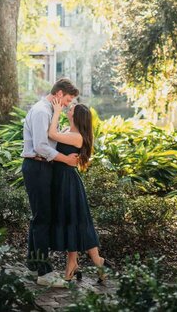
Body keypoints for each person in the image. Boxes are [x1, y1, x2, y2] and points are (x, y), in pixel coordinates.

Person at [21, 78, 80, 287]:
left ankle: (34, 264)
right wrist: (65, 159)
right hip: (37, 167)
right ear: (59, 94)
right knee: (42, 218)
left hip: (43, 168)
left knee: (40, 216)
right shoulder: (41, 112)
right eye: (67, 99)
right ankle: (44, 274)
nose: (67, 104)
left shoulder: (49, 111)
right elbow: (40, 146)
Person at [47, 100, 110, 283]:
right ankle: (78, 264)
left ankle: (92, 263)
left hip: (68, 183)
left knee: (78, 222)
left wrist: (57, 110)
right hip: (61, 181)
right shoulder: (69, 131)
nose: (69, 107)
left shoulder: (76, 137)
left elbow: (51, 133)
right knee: (72, 222)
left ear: (76, 116)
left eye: (71, 108)